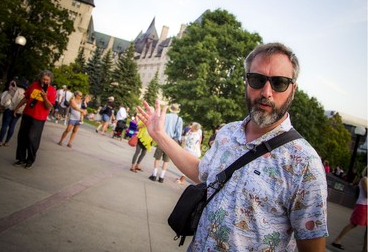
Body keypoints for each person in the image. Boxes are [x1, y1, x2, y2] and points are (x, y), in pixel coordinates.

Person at [138, 42, 328, 251]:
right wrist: (160, 135)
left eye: (279, 83)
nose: (266, 92)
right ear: (247, 82)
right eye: (257, 79)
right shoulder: (228, 132)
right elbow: (202, 173)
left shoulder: (305, 163)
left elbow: (312, 245)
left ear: (293, 89)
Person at [13, 70, 56, 169]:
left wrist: (45, 97)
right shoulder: (34, 85)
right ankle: (21, 159)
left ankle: (30, 160)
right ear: (40, 78)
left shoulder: (52, 91)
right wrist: (17, 108)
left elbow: (49, 106)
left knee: (32, 139)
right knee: (22, 137)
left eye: (47, 80)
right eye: (44, 79)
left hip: (39, 118)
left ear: (50, 81)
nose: (45, 81)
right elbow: (26, 97)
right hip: (27, 114)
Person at [332, 166, 367, 251]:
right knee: (353, 224)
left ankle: (365, 249)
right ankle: (337, 240)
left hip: (366, 206)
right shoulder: (365, 179)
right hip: (362, 206)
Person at [148, 103, 183, 183]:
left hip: (161, 139)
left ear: (170, 109)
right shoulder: (179, 119)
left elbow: (159, 127)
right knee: (166, 160)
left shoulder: (165, 116)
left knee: (157, 158)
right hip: (171, 141)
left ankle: (154, 175)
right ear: (177, 110)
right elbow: (179, 133)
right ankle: (161, 177)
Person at [0, 79, 26, 147]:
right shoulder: (25, 92)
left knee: (5, 125)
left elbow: (6, 99)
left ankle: (0, 141)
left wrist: (1, 106)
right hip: (19, 111)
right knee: (12, 126)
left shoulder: (14, 89)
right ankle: (6, 142)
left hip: (10, 109)